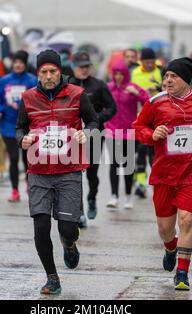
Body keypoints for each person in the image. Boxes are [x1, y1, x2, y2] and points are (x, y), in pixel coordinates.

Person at [132, 57, 192, 290]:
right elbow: (138, 128)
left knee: (186, 220)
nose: (168, 80)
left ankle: (182, 273)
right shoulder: (155, 103)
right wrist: (152, 134)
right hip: (164, 174)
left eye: (173, 76)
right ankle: (170, 247)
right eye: (166, 77)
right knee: (164, 228)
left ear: (186, 79)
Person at [16, 49, 98, 294]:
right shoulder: (28, 97)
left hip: (69, 169)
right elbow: (20, 127)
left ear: (60, 72)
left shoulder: (77, 94)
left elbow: (93, 121)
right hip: (39, 171)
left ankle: (69, 243)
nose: (49, 76)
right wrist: (23, 139)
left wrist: (87, 132)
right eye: (44, 72)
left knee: (67, 228)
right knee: (40, 227)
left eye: (53, 71)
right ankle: (52, 277)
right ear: (38, 73)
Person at [69, 51, 117, 227]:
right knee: (74, 176)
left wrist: (96, 119)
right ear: (74, 67)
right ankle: (79, 211)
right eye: (81, 67)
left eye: (86, 66)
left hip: (94, 134)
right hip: (72, 136)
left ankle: (91, 198)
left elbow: (112, 108)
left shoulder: (98, 85)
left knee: (91, 174)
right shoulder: (67, 85)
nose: (84, 70)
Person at [0, 50, 37, 202]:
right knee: (13, 157)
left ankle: (30, 188)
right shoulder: (4, 81)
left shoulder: (32, 81)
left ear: (25, 64)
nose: (18, 65)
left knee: (27, 159)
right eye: (15, 62)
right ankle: (15, 190)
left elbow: (38, 100)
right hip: (8, 125)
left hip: (27, 126)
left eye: (21, 62)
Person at [105, 61, 149, 209]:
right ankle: (114, 196)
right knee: (114, 163)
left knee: (128, 165)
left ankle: (128, 197)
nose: (118, 77)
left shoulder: (132, 87)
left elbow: (148, 102)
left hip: (129, 132)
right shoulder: (108, 88)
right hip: (112, 130)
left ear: (125, 74)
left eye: (121, 74)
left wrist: (137, 94)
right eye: (116, 74)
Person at [131, 48, 163, 199]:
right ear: (141, 61)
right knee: (142, 149)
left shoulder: (161, 71)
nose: (150, 64)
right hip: (140, 117)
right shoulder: (135, 72)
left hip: (158, 117)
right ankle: (141, 182)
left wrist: (156, 87)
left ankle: (156, 180)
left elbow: (167, 87)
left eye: (152, 61)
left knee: (155, 151)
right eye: (147, 62)